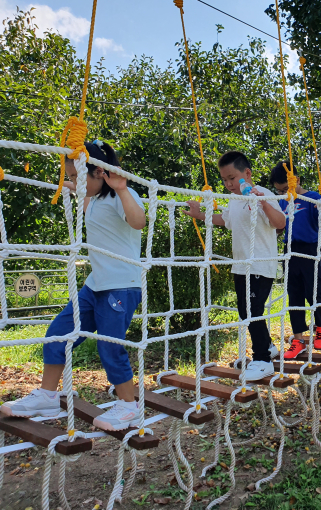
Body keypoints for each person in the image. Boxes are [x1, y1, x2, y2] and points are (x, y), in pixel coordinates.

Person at [1, 141, 147, 431]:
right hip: (96, 285)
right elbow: (70, 186)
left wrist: (120, 188)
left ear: (99, 173)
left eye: (80, 176)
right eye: (72, 176)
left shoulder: (123, 195)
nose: (74, 182)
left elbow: (139, 221)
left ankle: (130, 407)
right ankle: (48, 395)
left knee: (110, 347)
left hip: (121, 286)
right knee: (57, 334)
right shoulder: (90, 198)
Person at [183, 151, 286, 380]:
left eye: (232, 178)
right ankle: (268, 345)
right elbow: (225, 220)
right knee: (245, 311)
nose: (228, 184)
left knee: (252, 311)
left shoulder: (264, 193)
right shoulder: (234, 199)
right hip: (240, 266)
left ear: (247, 174)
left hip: (259, 264)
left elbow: (280, 223)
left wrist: (261, 202)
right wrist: (200, 215)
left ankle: (262, 360)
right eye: (224, 179)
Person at [269, 162, 321, 359]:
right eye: (279, 190)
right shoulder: (283, 200)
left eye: (284, 187)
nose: (282, 192)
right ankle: (298, 340)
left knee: (314, 292)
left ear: (295, 180)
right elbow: (280, 226)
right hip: (290, 250)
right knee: (294, 295)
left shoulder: (312, 197)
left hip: (310, 249)